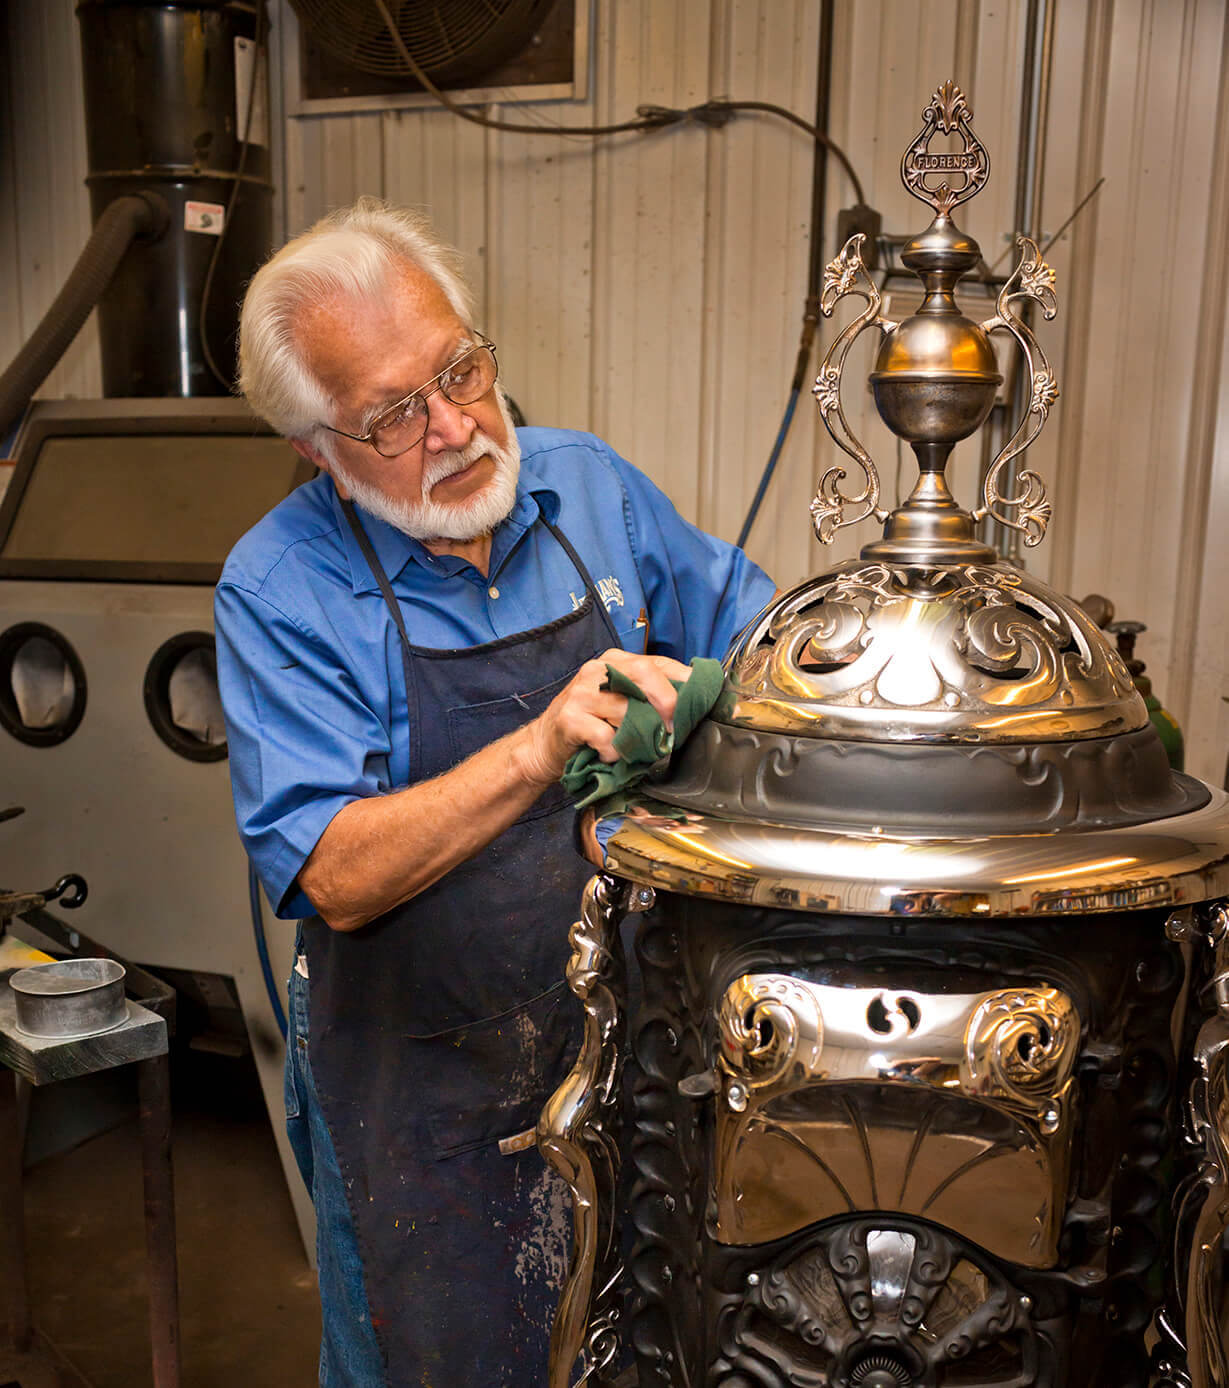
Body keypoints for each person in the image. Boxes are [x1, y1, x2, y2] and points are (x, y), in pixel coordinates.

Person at [214, 197, 775, 1387]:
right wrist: (531, 752)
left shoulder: (588, 487)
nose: (459, 424)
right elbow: (329, 870)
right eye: (393, 415)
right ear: (318, 448)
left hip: (627, 1050)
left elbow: (761, 636)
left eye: (461, 368)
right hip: (420, 1089)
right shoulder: (279, 586)